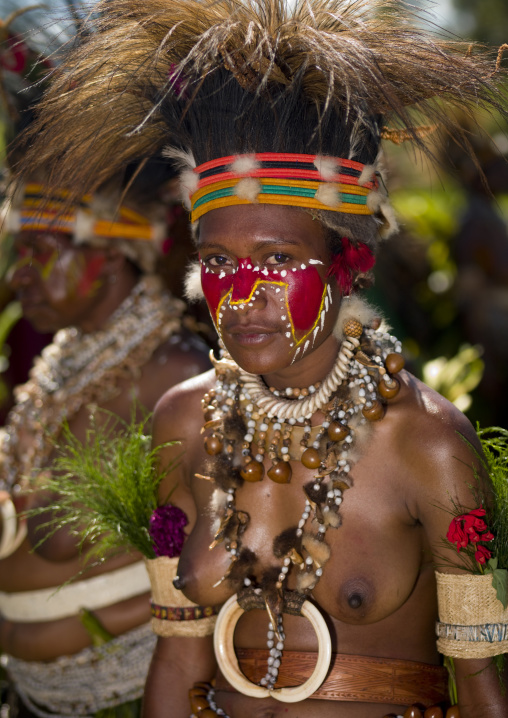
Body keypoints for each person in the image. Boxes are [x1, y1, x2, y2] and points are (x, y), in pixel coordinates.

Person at [14, 1, 508, 716]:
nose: (242, 293)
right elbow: (177, 654)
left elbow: (483, 688)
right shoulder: (183, 421)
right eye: (217, 260)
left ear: (349, 265)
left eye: (277, 260)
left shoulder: (427, 444)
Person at [0, 7, 210, 717]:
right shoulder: (58, 368)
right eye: (17, 252)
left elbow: (227, 574)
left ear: (113, 252)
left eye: (39, 253)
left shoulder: (174, 380)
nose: (17, 276)